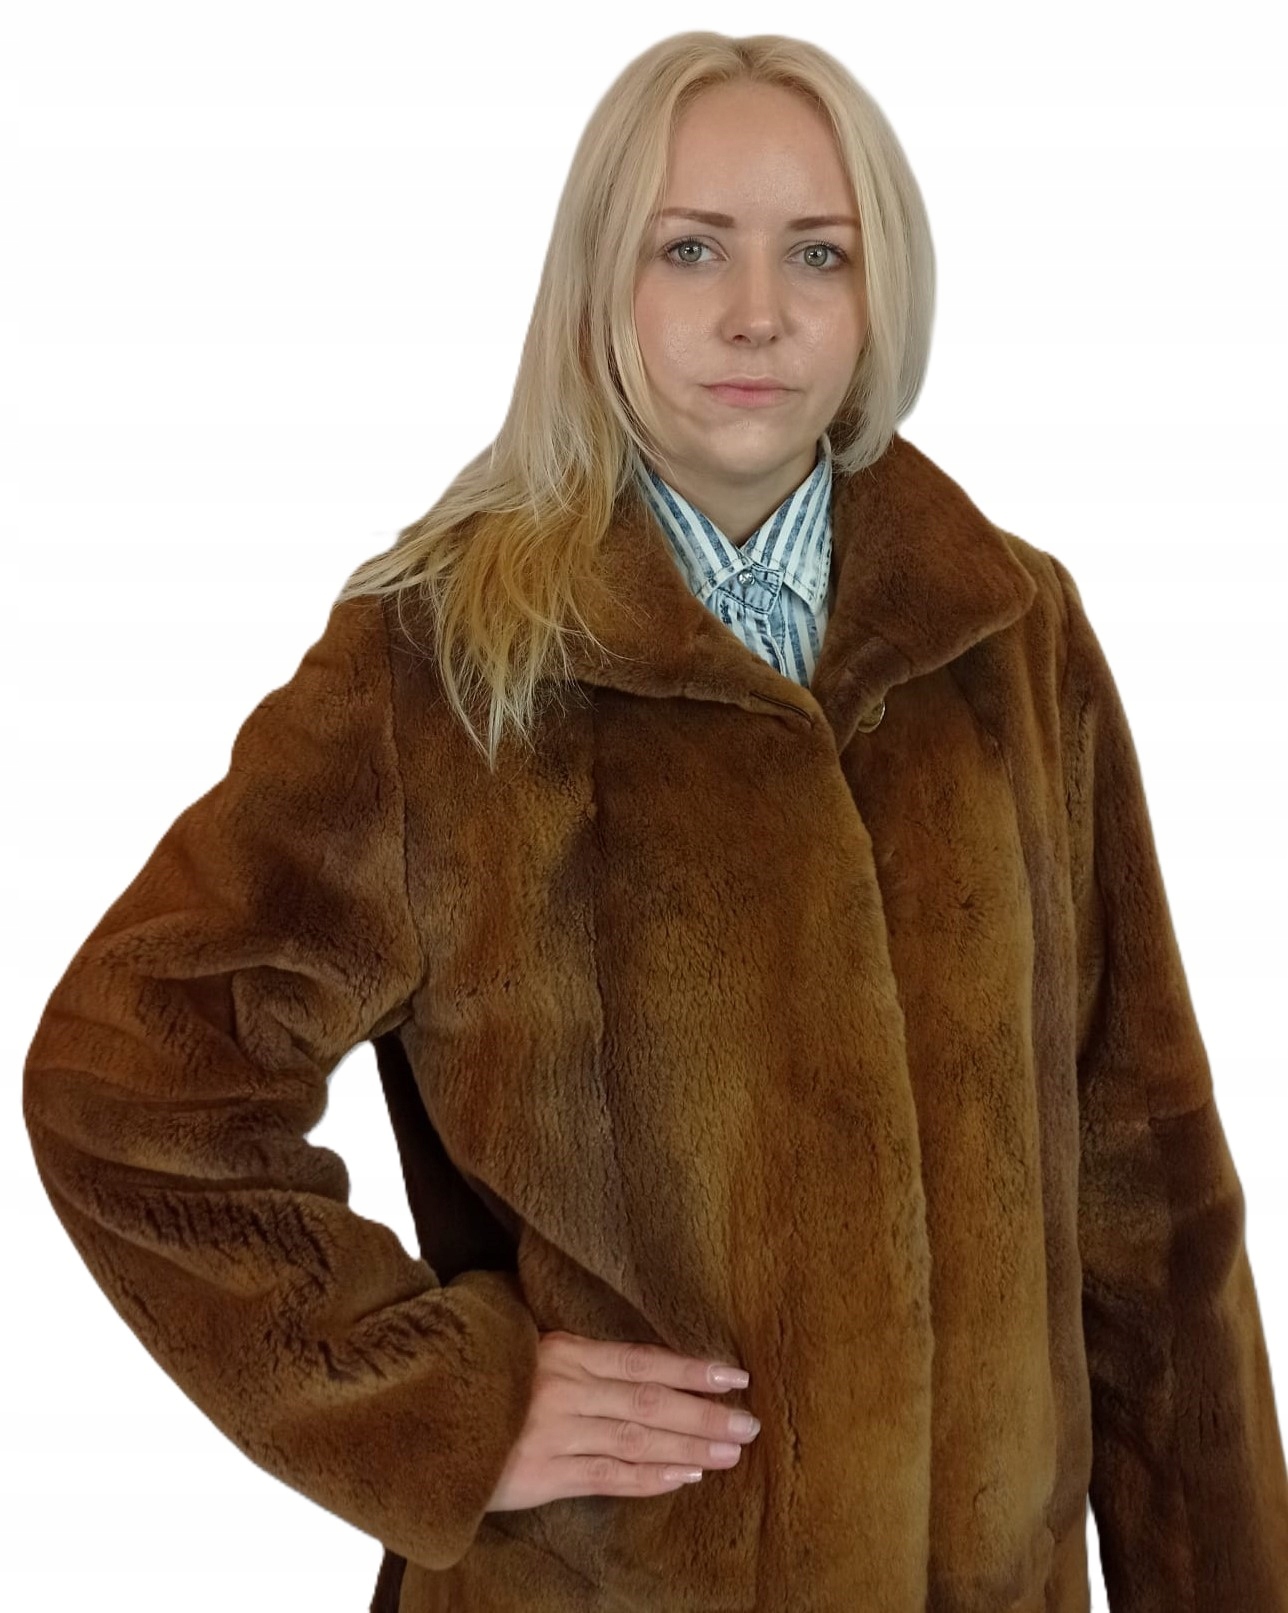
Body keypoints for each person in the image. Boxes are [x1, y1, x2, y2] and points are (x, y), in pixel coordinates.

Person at [22, 29, 1288, 1613]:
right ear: (597, 283)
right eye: (690, 248)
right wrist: (442, 1400)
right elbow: (130, 1074)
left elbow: (1152, 1197)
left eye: (816, 252)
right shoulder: (443, 664)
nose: (757, 311)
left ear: (880, 289)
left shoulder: (1012, 635)